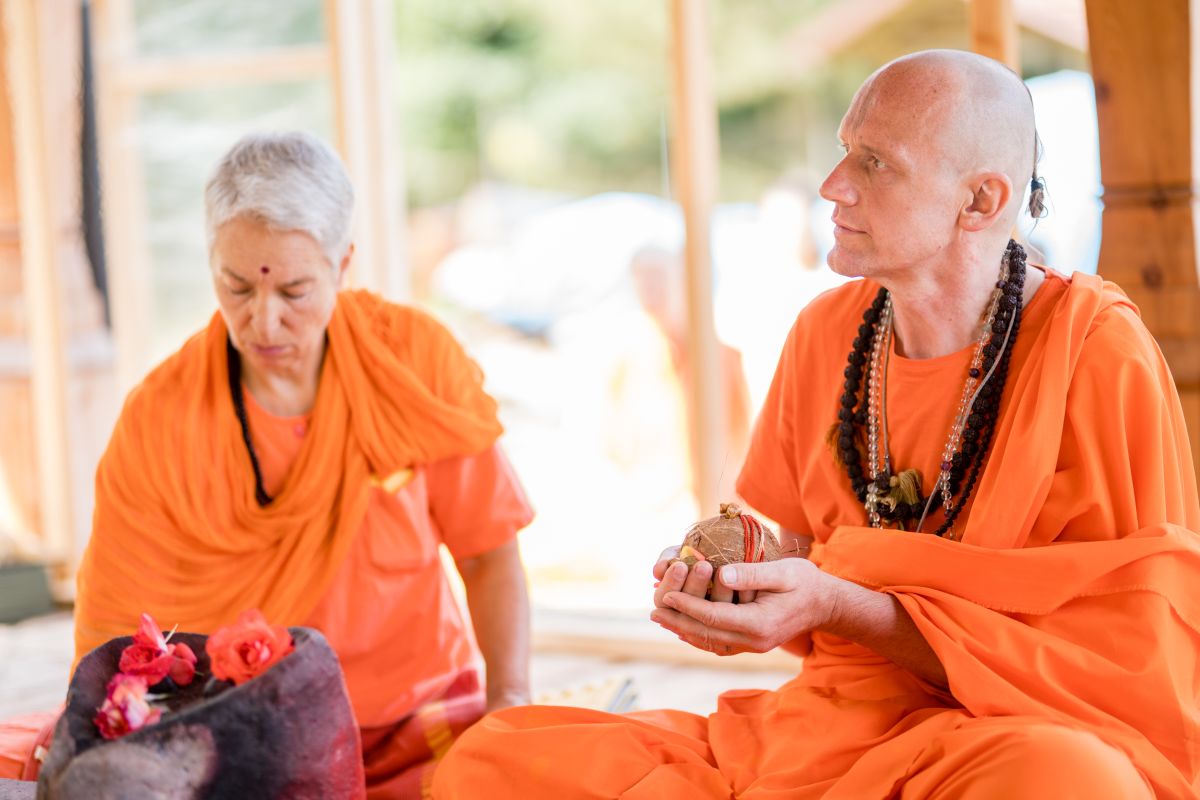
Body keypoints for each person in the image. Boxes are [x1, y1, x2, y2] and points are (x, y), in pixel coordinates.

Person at [432, 50, 1200, 799]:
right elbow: (805, 553)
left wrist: (838, 603)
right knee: (496, 758)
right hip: (821, 726)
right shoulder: (829, 331)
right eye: (843, 154)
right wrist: (737, 581)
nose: (833, 187)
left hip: (996, 735)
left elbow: (1132, 660)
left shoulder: (1095, 351)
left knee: (1068, 782)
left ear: (980, 201)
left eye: (876, 163)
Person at [1, 132, 535, 798]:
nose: (265, 321)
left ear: (343, 265)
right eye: (237, 287)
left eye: (295, 290)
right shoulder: (161, 417)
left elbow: (488, 554)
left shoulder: (414, 362)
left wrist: (509, 699)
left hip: (417, 722)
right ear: (213, 266)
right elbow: (118, 630)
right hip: (243, 729)